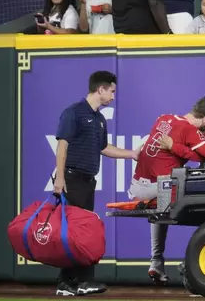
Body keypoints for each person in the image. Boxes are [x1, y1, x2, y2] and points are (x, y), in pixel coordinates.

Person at [53, 71, 139, 296]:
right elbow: (63, 146)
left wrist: (132, 154)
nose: (113, 96)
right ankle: (71, 283)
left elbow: (104, 148)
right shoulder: (73, 113)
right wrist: (60, 178)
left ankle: (74, 283)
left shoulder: (100, 119)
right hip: (72, 179)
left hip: (87, 182)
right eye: (111, 91)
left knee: (80, 232)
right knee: (75, 232)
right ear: (100, 89)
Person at [128, 97, 205, 285]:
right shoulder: (190, 130)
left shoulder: (164, 117)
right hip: (161, 189)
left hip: (136, 187)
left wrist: (174, 148)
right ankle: (193, 263)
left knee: (160, 215)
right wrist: (176, 148)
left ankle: (156, 263)